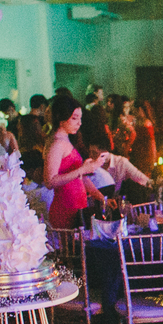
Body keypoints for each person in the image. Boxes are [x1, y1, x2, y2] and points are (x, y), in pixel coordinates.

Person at [44, 94, 107, 228]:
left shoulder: (65, 139)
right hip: (65, 208)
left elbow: (79, 176)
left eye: (80, 118)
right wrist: (82, 169)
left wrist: (98, 195)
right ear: (60, 118)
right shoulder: (57, 144)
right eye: (74, 118)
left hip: (76, 205)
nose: (79, 123)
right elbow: (50, 181)